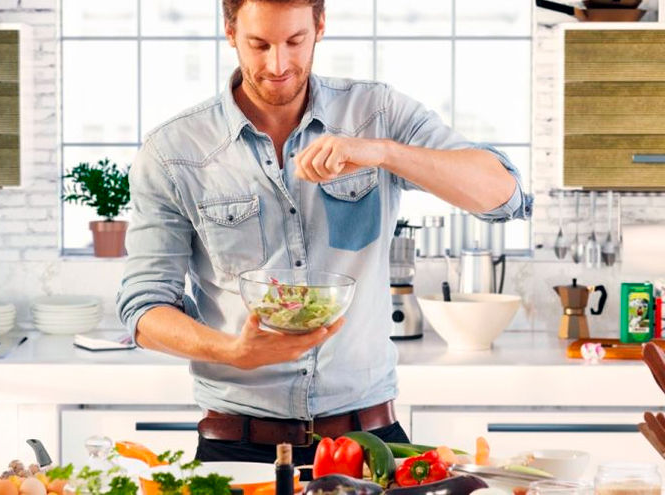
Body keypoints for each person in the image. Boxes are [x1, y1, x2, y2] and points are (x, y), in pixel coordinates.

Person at [116, 0, 532, 466]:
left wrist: (383, 153)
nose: (278, 65)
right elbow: (143, 307)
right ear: (230, 32)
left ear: (320, 27)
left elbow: (505, 194)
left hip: (372, 439)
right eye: (259, 44)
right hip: (236, 442)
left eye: (295, 42)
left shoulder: (376, 113)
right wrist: (235, 352)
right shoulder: (174, 151)